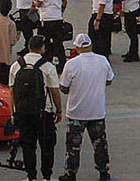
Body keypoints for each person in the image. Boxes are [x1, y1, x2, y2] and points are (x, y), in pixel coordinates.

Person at [57, 33, 113, 181]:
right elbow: (109, 80)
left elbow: (63, 87)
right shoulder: (102, 60)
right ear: (91, 45)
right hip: (97, 111)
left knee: (73, 146)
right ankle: (103, 172)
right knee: (100, 145)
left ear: (76, 47)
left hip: (76, 112)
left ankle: (71, 174)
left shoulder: (72, 64)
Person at [10, 35, 62, 181]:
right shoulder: (47, 66)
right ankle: (46, 177)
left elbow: (11, 91)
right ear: (42, 48)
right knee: (47, 146)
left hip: (23, 112)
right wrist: (59, 110)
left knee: (28, 145)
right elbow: (54, 91)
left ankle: (31, 177)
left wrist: (13, 113)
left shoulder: (16, 65)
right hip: (43, 113)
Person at [35, 0, 69, 68]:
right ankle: (62, 64)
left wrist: (34, 3)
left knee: (44, 42)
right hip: (57, 19)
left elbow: (39, 3)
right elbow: (65, 1)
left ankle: (45, 63)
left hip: (46, 19)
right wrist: (60, 11)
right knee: (58, 43)